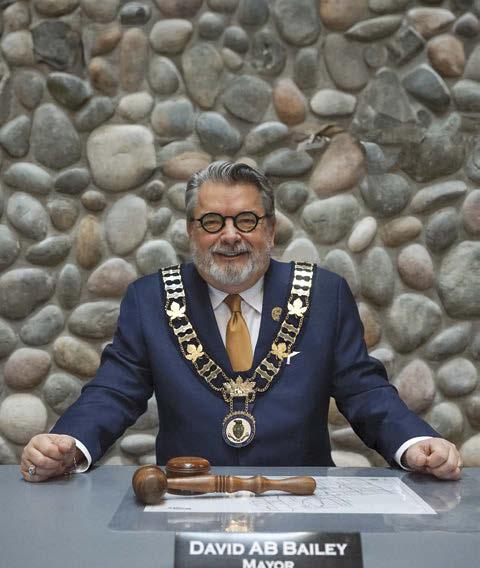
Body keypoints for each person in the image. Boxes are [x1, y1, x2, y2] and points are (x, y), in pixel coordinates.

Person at [20, 161, 463, 483]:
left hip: (300, 498)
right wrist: (67, 445)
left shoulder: (323, 295)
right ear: (191, 231)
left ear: (270, 229)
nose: (230, 235)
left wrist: (414, 444)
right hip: (188, 498)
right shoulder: (151, 299)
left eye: (246, 220)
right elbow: (114, 391)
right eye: (213, 221)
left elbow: (363, 391)